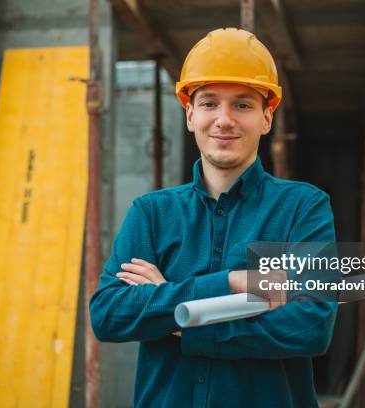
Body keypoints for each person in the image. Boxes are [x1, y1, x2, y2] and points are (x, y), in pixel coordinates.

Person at [90, 28, 338, 408]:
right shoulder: (151, 213)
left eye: (242, 105)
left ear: (266, 117)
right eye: (209, 104)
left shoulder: (303, 208)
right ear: (190, 115)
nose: (224, 120)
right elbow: (109, 314)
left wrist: (175, 314)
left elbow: (310, 325)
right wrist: (232, 283)